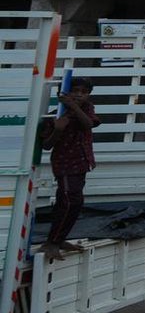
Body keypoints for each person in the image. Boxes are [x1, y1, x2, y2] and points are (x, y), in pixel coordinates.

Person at [42, 77, 101, 261]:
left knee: (74, 203)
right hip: (65, 165)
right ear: (65, 93)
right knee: (68, 202)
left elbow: (88, 124)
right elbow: (46, 145)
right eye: (75, 91)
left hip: (82, 163)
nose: (79, 95)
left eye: (84, 92)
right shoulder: (54, 116)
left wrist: (73, 106)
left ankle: (59, 240)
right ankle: (51, 242)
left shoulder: (86, 109)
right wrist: (58, 129)